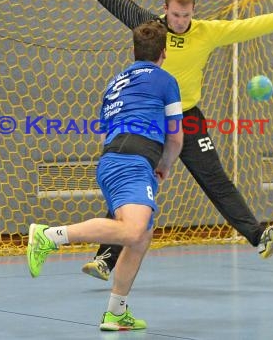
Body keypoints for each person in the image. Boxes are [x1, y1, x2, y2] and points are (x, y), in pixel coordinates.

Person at [49, 0, 273, 281]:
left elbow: (250, 26)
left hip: (188, 118)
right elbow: (112, 0)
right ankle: (106, 260)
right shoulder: (150, 27)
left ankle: (259, 236)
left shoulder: (207, 32)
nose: (181, 22)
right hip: (152, 121)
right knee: (137, 183)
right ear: (165, 10)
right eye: (175, 15)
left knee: (215, 179)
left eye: (186, 15)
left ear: (193, 12)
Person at [27, 21, 184, 331]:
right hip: (134, 161)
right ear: (164, 52)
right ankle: (49, 236)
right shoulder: (166, 80)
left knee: (141, 238)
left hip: (114, 158)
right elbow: (176, 138)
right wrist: (164, 164)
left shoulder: (115, 82)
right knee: (132, 232)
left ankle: (116, 311)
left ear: (134, 52)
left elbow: (104, 135)